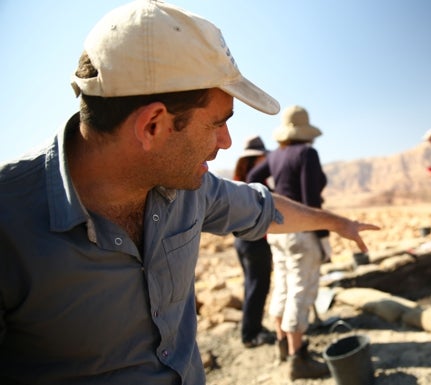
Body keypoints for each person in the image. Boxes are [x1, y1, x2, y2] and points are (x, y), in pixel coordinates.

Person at [0, 2, 379, 385]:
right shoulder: (9, 226)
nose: (226, 142)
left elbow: (263, 208)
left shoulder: (187, 190)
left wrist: (338, 223)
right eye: (217, 124)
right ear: (152, 126)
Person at [247, 105, 331, 380]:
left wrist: (271, 201)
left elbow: (252, 179)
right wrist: (323, 234)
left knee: (283, 284)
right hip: (302, 231)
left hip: (277, 230)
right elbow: (310, 197)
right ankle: (299, 358)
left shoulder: (276, 155)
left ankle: (283, 344)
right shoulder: (307, 153)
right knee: (300, 289)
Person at [232, 136, 275, 348]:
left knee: (252, 285)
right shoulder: (255, 182)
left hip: (244, 241)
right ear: (257, 158)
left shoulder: (241, 178)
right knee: (259, 286)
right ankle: (250, 335)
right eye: (263, 157)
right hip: (255, 242)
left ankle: (252, 328)